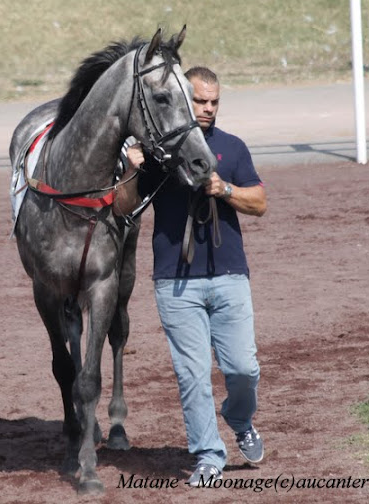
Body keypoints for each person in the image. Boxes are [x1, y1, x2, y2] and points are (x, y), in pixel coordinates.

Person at [114, 66, 267, 486]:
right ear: (185, 98)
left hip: (229, 275)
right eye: (201, 100)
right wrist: (130, 167)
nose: (208, 108)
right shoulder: (159, 152)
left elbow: (260, 203)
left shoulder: (232, 148)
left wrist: (227, 191)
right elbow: (123, 207)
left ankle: (238, 416)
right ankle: (208, 455)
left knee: (243, 369)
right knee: (192, 374)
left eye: (215, 101)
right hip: (175, 282)